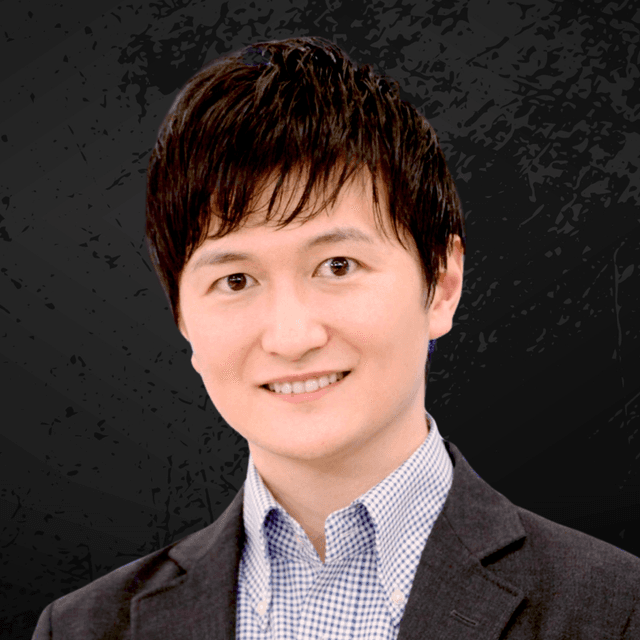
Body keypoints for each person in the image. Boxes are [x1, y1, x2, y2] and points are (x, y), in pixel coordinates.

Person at [32, 36, 639, 640]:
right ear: (183, 318)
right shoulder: (82, 629)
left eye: (338, 266)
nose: (292, 337)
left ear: (442, 284)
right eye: (235, 280)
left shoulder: (616, 614)